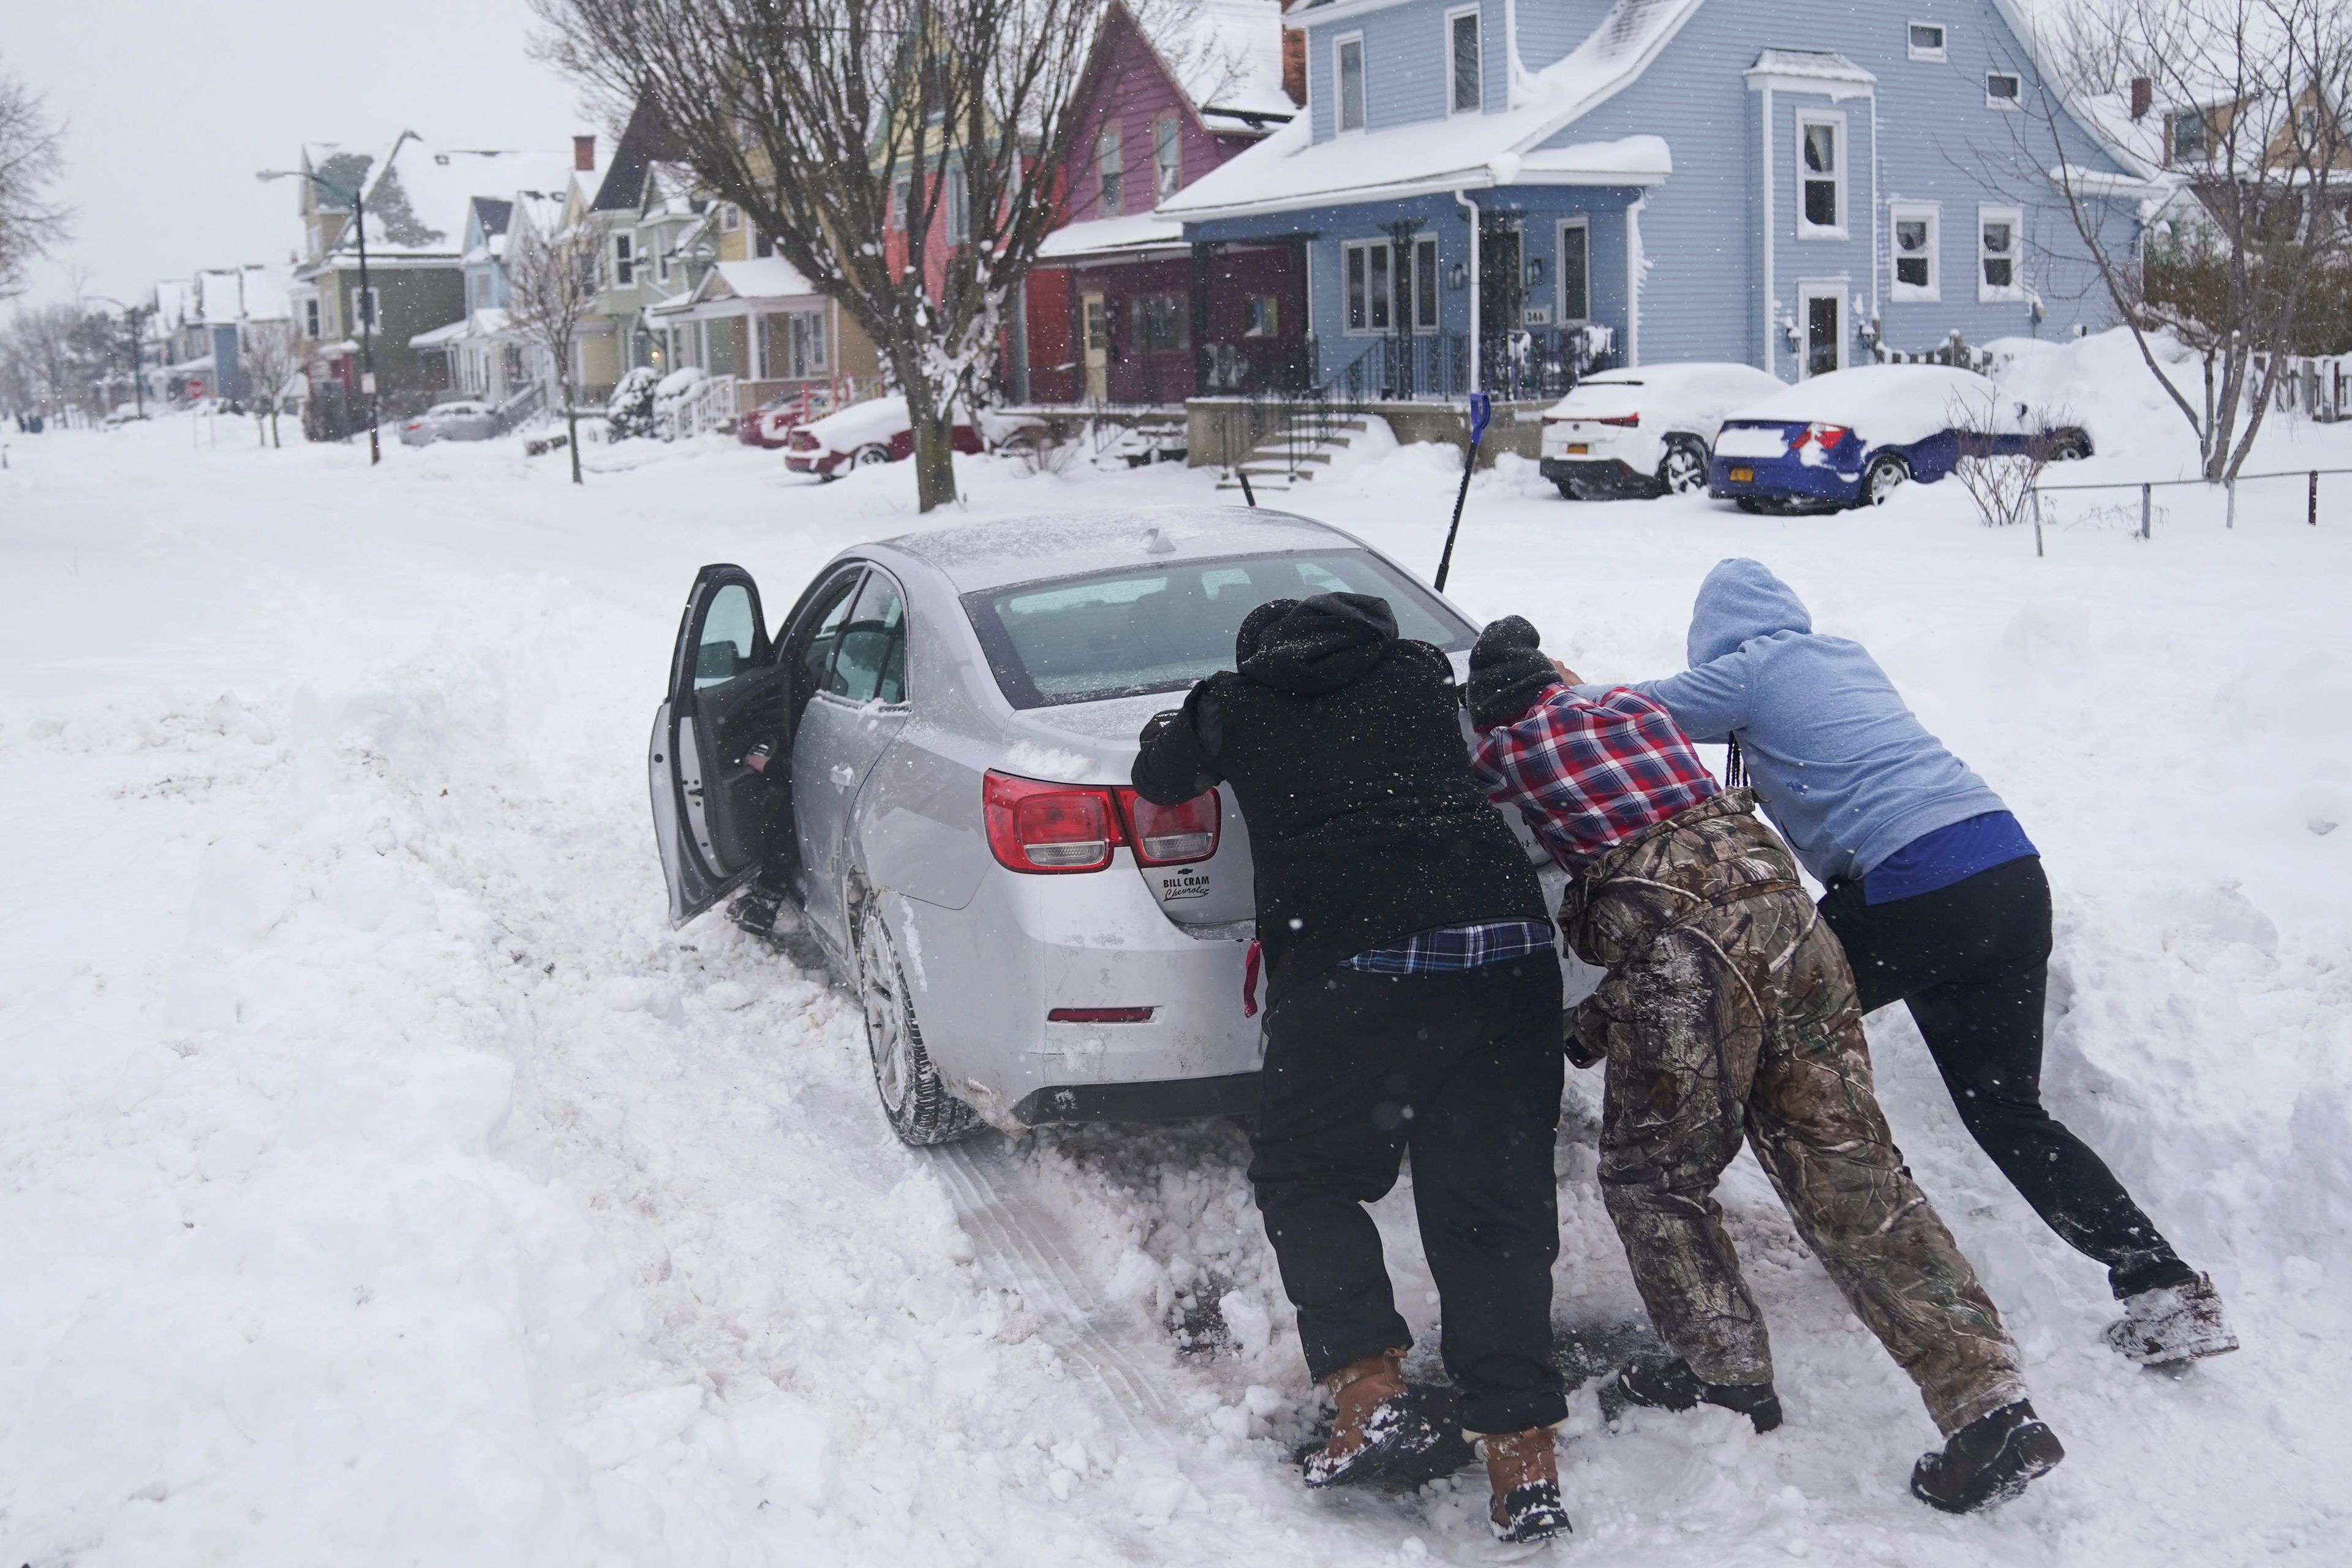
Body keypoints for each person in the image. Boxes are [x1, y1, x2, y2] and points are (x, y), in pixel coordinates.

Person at [1466, 616, 2064, 1514]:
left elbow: (1664, 926)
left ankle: (1725, 1374)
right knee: (1851, 1168)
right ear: (1558, 676)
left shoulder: (1507, 750)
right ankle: (1990, 1407)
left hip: (1686, 959)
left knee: (1654, 1178)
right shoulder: (1634, 712)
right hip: (1798, 934)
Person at [1607, 559, 2234, 1371]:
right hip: (2007, 875)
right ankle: (2163, 1284)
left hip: (1912, 886)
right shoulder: (1844, 655)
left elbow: (1626, 716)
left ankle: (1881, 1245)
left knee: (1769, 1035)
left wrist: (1548, 687)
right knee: (2008, 1108)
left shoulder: (1754, 669)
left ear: (1719, 640)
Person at [1131, 592, 1572, 1544]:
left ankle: (1369, 1391)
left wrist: (1182, 723)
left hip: (1360, 962)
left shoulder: (1233, 702)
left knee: (1306, 1176)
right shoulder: (1417, 674)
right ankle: (1521, 1458)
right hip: (1504, 951)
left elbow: (1159, 777)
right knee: (1493, 1209)